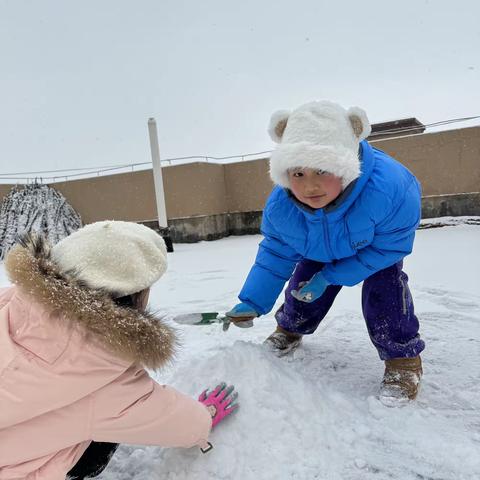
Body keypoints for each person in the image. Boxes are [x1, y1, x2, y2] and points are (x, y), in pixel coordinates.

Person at [0, 221, 238, 480]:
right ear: (133, 297)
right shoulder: (100, 373)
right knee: (103, 428)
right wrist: (204, 416)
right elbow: (174, 421)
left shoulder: (11, 299)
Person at [225, 100, 424, 403]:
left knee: (386, 292)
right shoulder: (282, 207)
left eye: (322, 170)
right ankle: (289, 329)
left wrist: (332, 276)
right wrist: (251, 301)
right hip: (316, 246)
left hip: (373, 248)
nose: (310, 187)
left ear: (344, 166)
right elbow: (276, 255)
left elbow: (390, 246)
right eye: (298, 173)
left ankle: (402, 359)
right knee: (303, 286)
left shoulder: (390, 189)